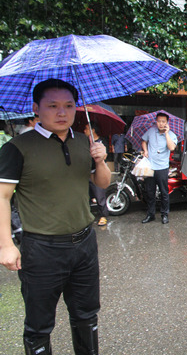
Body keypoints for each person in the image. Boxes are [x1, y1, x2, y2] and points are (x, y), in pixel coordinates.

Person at [0, 79, 110, 354]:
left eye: (69, 106)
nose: (62, 113)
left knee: (86, 315)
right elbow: (2, 196)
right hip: (42, 249)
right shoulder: (18, 147)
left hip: (84, 244)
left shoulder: (85, 141)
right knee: (39, 325)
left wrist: (100, 159)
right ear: (36, 108)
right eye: (53, 106)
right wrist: (6, 245)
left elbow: (103, 183)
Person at [140, 112, 177, 224]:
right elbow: (143, 141)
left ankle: (164, 214)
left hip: (162, 168)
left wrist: (166, 133)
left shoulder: (171, 134)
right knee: (149, 192)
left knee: (164, 193)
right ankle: (150, 214)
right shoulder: (151, 131)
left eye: (163, 122)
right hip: (150, 167)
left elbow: (171, 148)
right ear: (156, 121)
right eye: (159, 121)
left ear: (167, 123)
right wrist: (145, 150)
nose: (161, 124)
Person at [84, 121, 110, 226]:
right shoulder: (85, 142)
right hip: (86, 172)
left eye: (86, 128)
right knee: (86, 196)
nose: (84, 131)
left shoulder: (101, 142)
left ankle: (103, 216)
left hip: (96, 172)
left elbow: (105, 156)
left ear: (92, 130)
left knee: (100, 195)